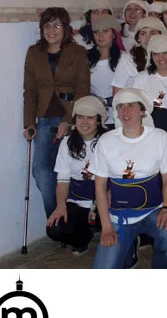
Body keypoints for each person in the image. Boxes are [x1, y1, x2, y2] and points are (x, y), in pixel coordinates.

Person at [89, 88, 167, 269]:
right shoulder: (106, 141)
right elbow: (100, 188)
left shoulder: (159, 137)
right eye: (121, 107)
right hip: (119, 217)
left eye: (131, 106)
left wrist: (166, 208)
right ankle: (129, 247)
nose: (125, 111)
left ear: (142, 111)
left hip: (152, 211)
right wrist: (106, 227)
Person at [23, 7, 90, 217]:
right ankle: (58, 218)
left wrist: (68, 120)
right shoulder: (34, 52)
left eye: (57, 25)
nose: (52, 30)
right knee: (41, 172)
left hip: (71, 117)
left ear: (66, 28)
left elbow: (83, 89)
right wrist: (29, 123)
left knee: (68, 170)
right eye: (47, 25)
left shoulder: (77, 52)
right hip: (43, 119)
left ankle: (73, 219)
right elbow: (30, 90)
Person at [46, 96, 108, 254]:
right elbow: (63, 180)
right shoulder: (66, 143)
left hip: (105, 201)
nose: (84, 122)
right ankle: (84, 237)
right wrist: (60, 207)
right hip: (78, 202)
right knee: (55, 229)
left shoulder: (108, 141)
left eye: (90, 118)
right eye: (80, 117)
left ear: (99, 120)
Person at [112, 17, 167, 92]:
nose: (148, 38)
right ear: (138, 38)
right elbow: (117, 92)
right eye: (143, 34)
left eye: (153, 33)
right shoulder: (127, 59)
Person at [89, 16, 122, 127]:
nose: (100, 35)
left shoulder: (125, 58)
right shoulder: (85, 58)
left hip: (119, 114)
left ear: (113, 34)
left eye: (105, 31)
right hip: (92, 115)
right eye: (96, 32)